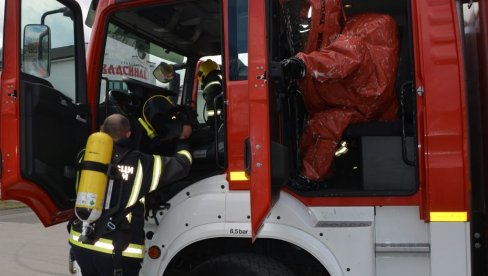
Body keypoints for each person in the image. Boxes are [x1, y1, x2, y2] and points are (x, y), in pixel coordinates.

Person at [281, 0, 400, 182]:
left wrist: (303, 65)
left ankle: (310, 178)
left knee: (324, 124)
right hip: (373, 106)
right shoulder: (357, 34)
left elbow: (340, 59)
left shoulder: (355, 42)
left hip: (365, 106)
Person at [69, 113, 192, 276]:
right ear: (128, 134)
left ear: (102, 131)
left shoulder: (85, 156)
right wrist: (183, 139)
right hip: (117, 250)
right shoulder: (141, 162)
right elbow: (182, 165)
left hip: (81, 243)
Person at [197, 59, 223, 130]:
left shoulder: (210, 87)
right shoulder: (219, 81)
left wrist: (210, 126)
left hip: (216, 126)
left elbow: (213, 112)